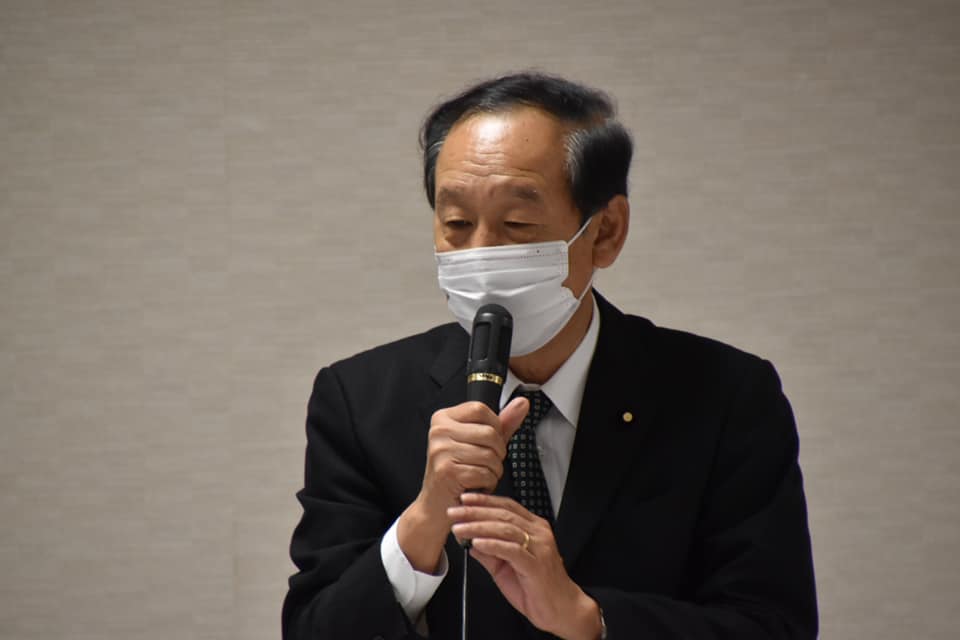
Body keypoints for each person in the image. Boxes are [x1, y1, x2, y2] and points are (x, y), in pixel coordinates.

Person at [282, 72, 818, 640]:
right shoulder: (359, 400)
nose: (481, 254)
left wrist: (588, 619)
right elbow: (314, 630)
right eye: (457, 223)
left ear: (605, 231)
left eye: (517, 224)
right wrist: (422, 521)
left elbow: (774, 625)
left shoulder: (727, 396)